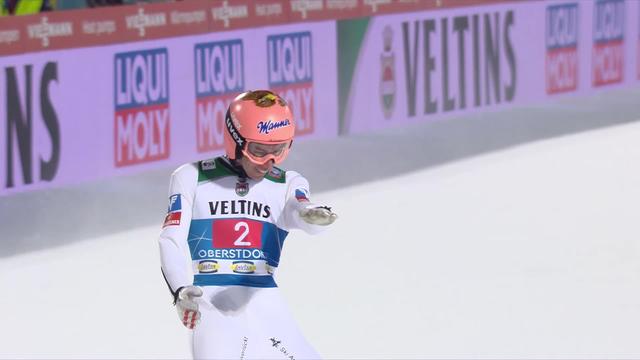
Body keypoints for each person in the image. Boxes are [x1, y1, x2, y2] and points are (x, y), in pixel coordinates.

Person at [158, 90, 337, 359]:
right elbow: (169, 238)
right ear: (235, 140)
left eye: (278, 150)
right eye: (258, 151)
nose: (268, 162)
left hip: (265, 301)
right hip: (211, 302)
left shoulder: (288, 182)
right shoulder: (190, 177)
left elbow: (300, 214)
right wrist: (180, 289)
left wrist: (311, 214)